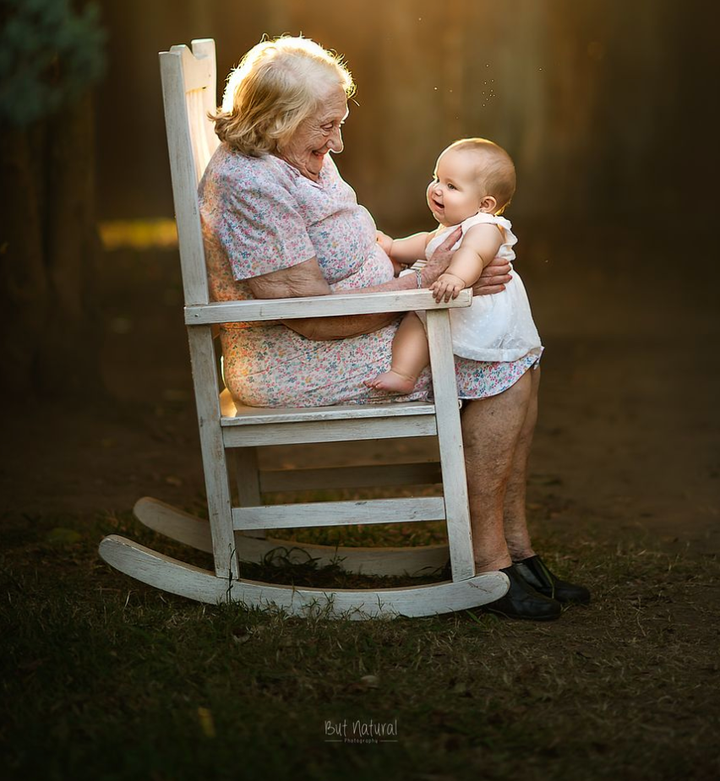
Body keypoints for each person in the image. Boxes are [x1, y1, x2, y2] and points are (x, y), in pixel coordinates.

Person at [199, 35, 589, 619]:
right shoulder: (251, 184)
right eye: (326, 127)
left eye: (338, 123)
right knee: (498, 362)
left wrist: (431, 264)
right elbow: (306, 317)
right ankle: (490, 566)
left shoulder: (289, 154)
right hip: (294, 358)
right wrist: (428, 280)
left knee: (518, 358)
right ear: (278, 120)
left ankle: (517, 549)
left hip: (362, 320)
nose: (338, 141)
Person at [371, 138, 543, 395]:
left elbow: (473, 253)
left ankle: (417, 373)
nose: (437, 189)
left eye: (451, 186)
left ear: (485, 205)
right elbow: (426, 243)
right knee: (416, 320)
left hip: (479, 310)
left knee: (420, 319)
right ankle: (403, 372)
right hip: (449, 302)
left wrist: (455, 276)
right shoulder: (450, 229)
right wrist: (393, 246)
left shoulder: (485, 226)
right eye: (436, 178)